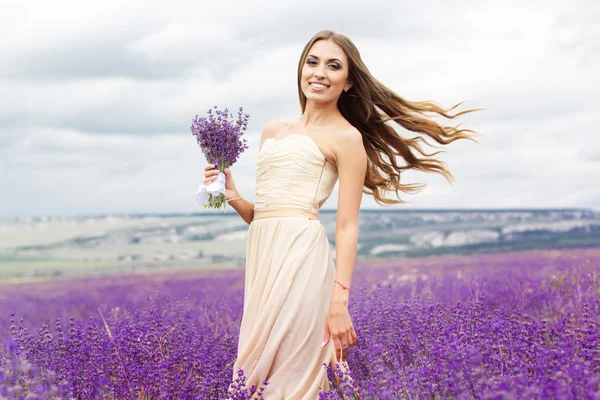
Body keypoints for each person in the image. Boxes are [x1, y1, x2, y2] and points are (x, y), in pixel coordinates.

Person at [203, 30, 481, 399]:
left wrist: (339, 301)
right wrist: (234, 196)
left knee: (291, 374)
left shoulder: (347, 138)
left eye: (333, 66)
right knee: (254, 374)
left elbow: (348, 226)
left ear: (348, 81)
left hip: (303, 258)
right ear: (301, 68)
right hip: (263, 261)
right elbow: (265, 214)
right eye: (312, 62)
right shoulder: (272, 131)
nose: (319, 73)